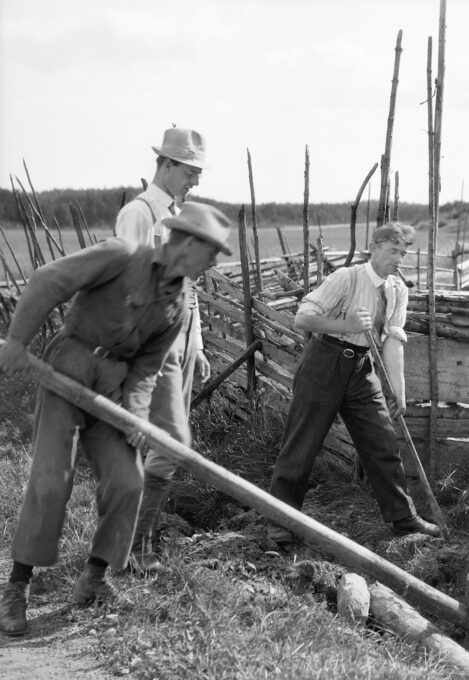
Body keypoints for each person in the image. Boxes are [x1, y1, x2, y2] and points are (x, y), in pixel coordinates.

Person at [0, 202, 232, 637]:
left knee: (129, 482)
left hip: (114, 391)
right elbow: (48, 281)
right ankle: (17, 587)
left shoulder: (179, 306)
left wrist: (135, 418)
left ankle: (94, 578)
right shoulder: (123, 255)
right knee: (51, 481)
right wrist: (17, 340)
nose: (216, 261)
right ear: (187, 244)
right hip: (67, 369)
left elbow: (147, 367)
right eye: (213, 250)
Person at [266, 222, 440, 542]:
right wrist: (345, 323)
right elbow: (302, 317)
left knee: (383, 443)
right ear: (374, 248)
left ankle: (404, 518)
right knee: (301, 446)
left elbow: (393, 341)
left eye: (403, 252)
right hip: (324, 363)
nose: (399, 258)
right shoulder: (347, 278)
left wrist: (398, 391)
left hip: (362, 370)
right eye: (392, 251)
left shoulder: (397, 290)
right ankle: (281, 523)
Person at [115, 127, 210, 574]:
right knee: (155, 443)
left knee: (166, 444)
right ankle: (131, 545)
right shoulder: (140, 215)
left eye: (198, 173)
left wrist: (199, 341)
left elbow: (187, 286)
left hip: (183, 343)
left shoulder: (180, 214)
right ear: (166, 165)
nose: (195, 181)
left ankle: (140, 541)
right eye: (189, 172)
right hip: (153, 349)